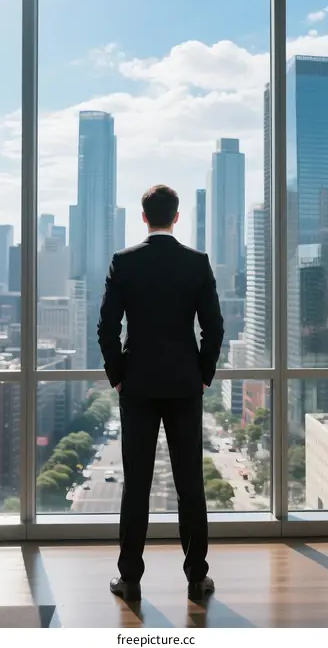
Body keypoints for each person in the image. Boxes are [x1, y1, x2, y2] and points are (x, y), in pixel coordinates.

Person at [98, 184, 224, 602]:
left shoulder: (124, 262)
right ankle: (196, 579)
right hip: (185, 385)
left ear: (143, 216)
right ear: (176, 217)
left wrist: (118, 374)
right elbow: (214, 327)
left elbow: (107, 327)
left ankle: (130, 579)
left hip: (137, 385)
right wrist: (202, 373)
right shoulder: (197, 263)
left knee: (136, 485)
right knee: (191, 484)